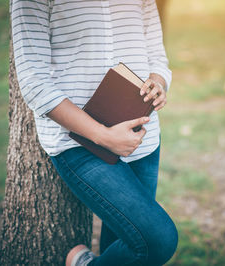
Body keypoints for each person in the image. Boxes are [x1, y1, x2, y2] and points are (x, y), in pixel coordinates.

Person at [10, 0, 178, 265]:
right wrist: (103, 136)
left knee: (132, 248)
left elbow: (156, 55)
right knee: (158, 240)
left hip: (142, 138)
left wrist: (157, 82)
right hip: (79, 143)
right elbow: (33, 80)